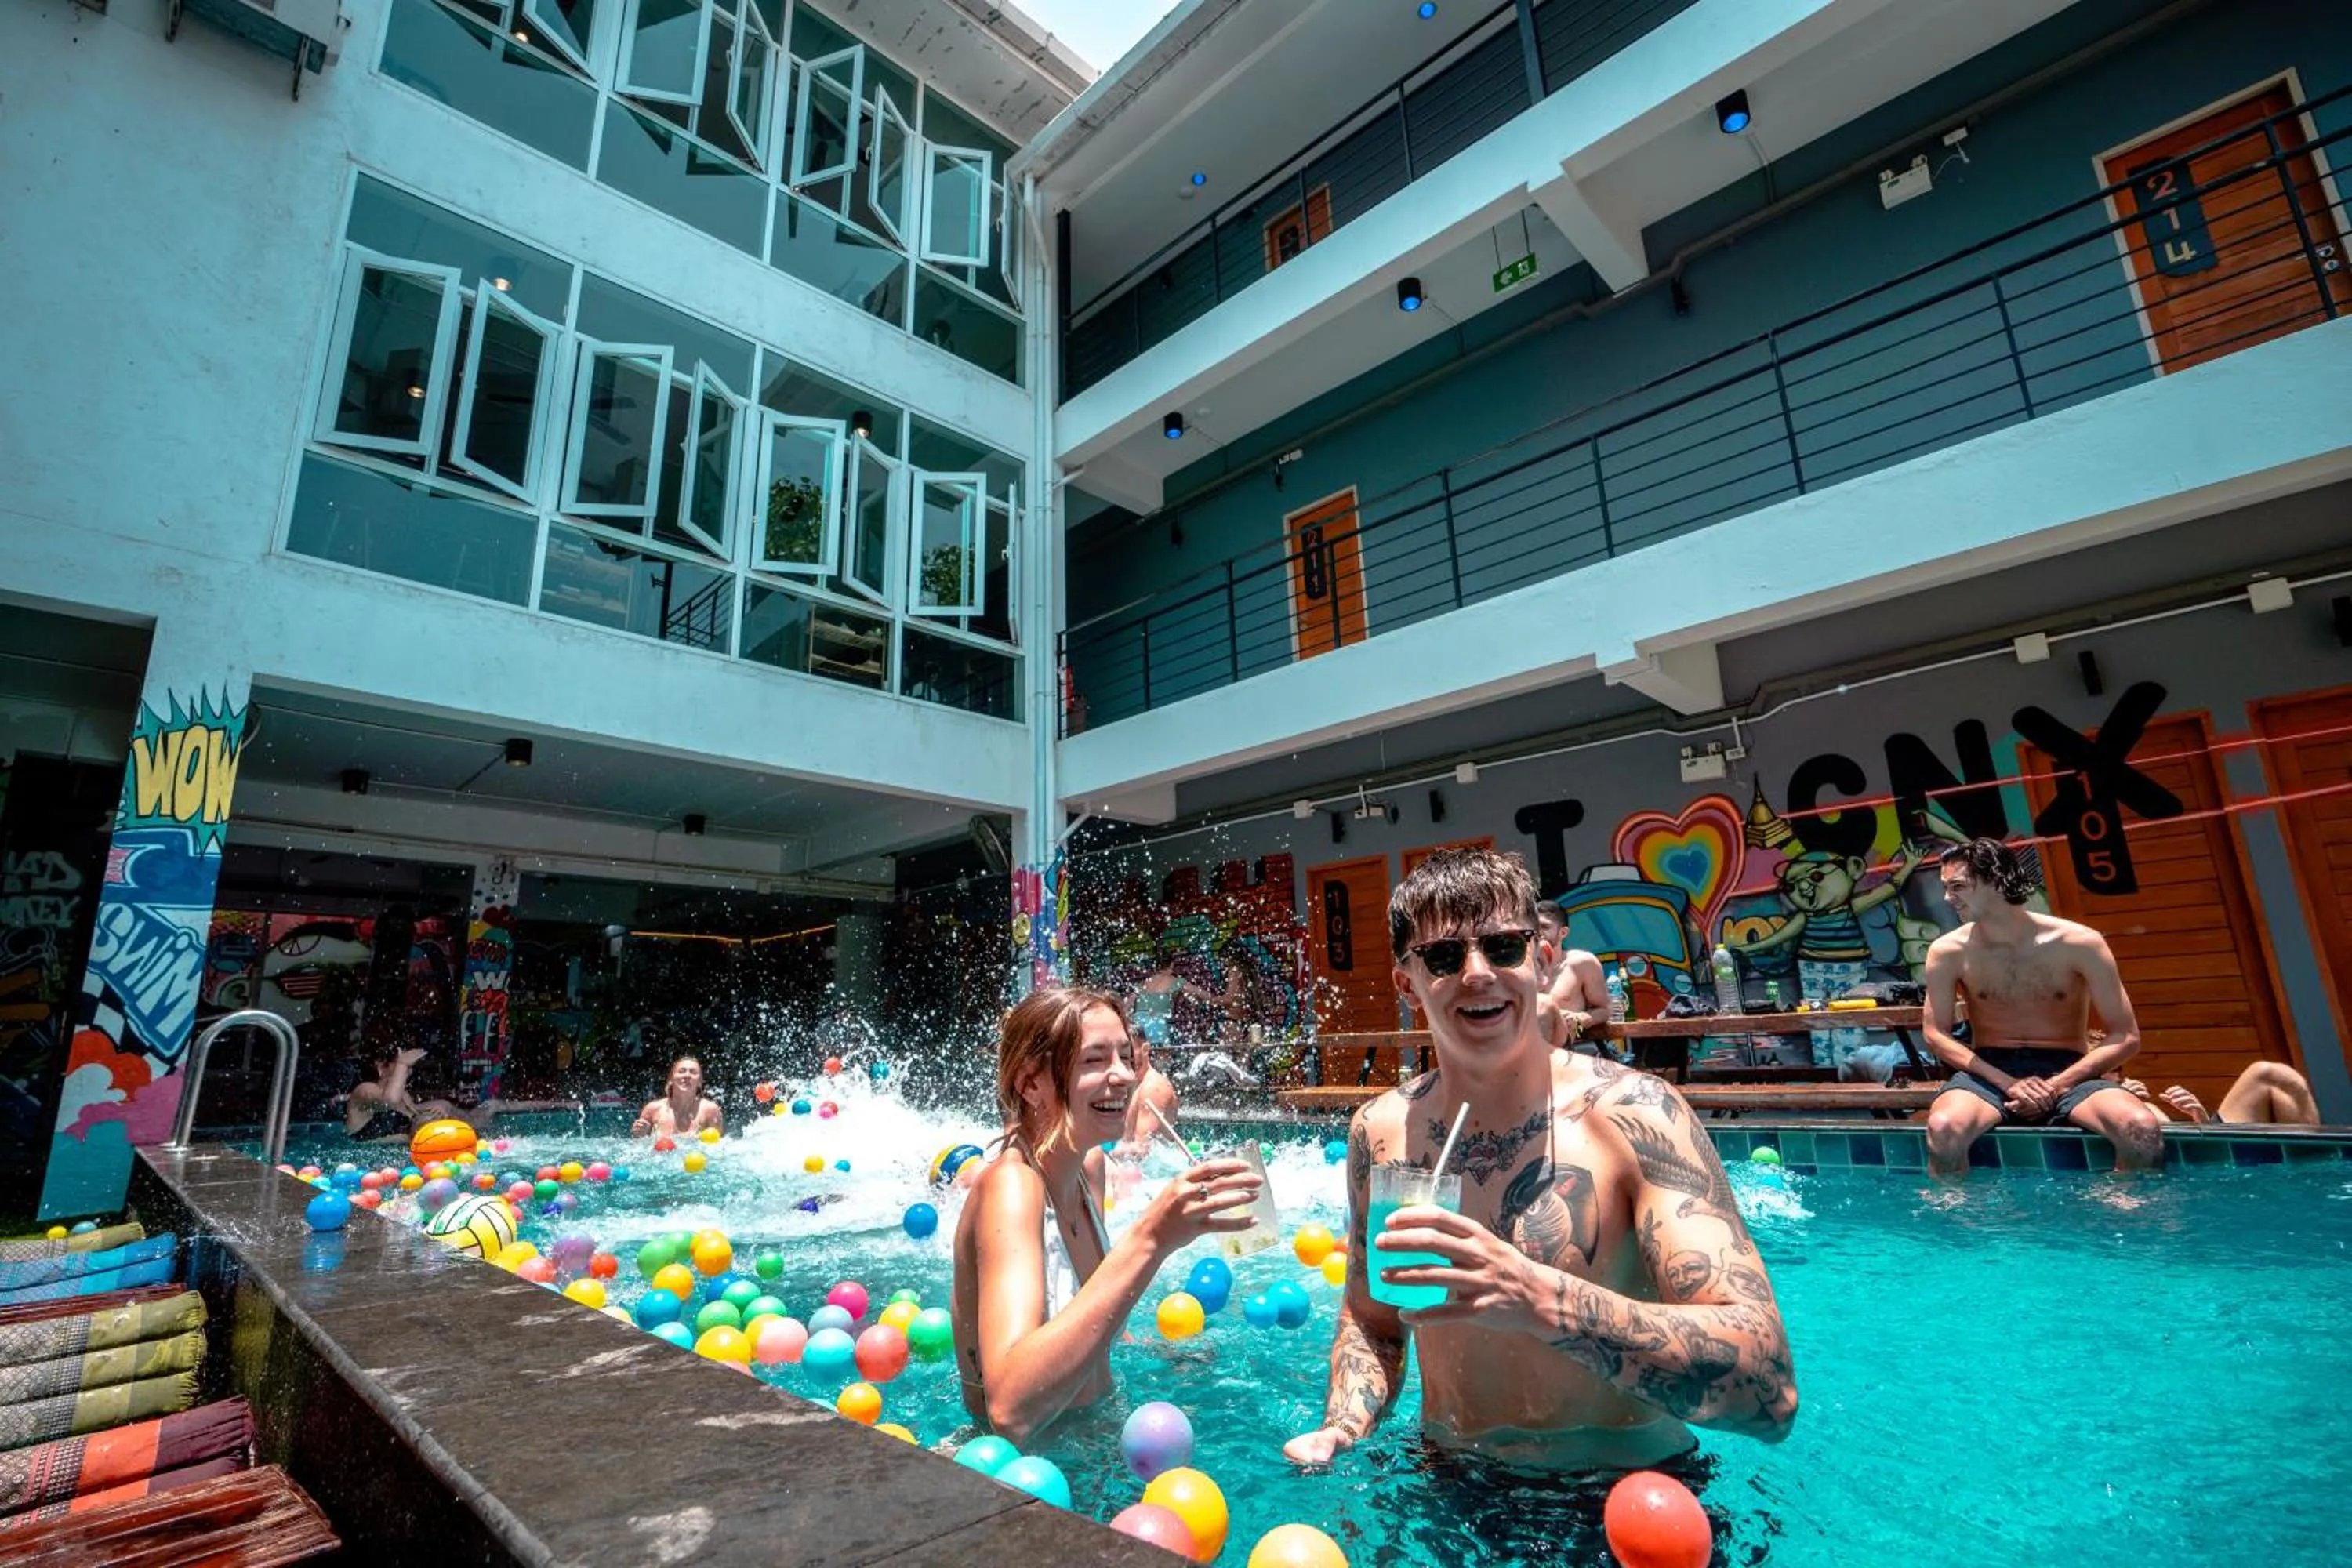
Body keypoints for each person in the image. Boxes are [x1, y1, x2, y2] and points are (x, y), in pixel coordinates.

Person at [1284, 848, 1797, 1471]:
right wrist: (1344, 1424)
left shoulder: (1638, 1116)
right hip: (1447, 1486)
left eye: (1503, 947)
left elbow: (1770, 1388)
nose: (1477, 973)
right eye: (1444, 957)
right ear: (1407, 984)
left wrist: (1543, 1300)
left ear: (1543, 958)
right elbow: (1373, 1321)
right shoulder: (1381, 1130)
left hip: (1621, 1496)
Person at [950, 986, 1264, 1443]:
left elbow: (1085, 1318)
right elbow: (1010, 1410)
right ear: (1031, 1083)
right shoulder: (1012, 1187)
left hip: (1095, 1446)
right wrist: (1153, 1238)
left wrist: (1163, 1351)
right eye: (1094, 1061)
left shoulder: (1088, 1169)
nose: (1122, 1077)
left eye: (1125, 1057)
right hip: (1022, 1481)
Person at [1921, 839, 2162, 1178]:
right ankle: (1960, 1229)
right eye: (1946, 888)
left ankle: (2121, 1222)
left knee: (2141, 1130)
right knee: (1944, 1129)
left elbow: (2125, 1037)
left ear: (1997, 881)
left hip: (2068, 1068)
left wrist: (2056, 1086)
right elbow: (1935, 1034)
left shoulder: (2080, 943)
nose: (1948, 898)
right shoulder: (1948, 951)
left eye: (1958, 886)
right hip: (1990, 1071)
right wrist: (2008, 1083)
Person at [344, 1043, 571, 1142]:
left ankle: (561, 1105)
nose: (409, 1072)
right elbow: (390, 1101)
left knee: (491, 1105)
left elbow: (406, 1109)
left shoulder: (404, 1096)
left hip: (426, 1144)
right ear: (381, 1066)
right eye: (403, 1066)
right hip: (381, 1156)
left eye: (410, 1067)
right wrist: (402, 1065)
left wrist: (439, 1107)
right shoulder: (365, 1090)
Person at [2122, 1059, 2320, 1126]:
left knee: (2272, 1074)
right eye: (2113, 1072)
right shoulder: (2093, 1104)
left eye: (2121, 1070)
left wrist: (2201, 1119)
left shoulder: (2146, 1108)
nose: (2124, 1078)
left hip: (2204, 1155)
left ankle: (2318, 1170)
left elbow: (2173, 1148)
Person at [1534, 900, 1611, 1054]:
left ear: (1563, 932)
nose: (1538, 933)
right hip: (1529, 1054)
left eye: (1545, 927)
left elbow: (1605, 1010)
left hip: (1571, 1052)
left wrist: (1582, 1018)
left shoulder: (1582, 963)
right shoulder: (1519, 966)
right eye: (1534, 928)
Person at [630, 1056, 724, 1138]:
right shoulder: (653, 1109)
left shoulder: (710, 1111)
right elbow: (639, 1145)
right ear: (671, 1079)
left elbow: (718, 1149)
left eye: (693, 1072)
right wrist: (639, 1134)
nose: (687, 1075)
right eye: (681, 1071)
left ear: (700, 1082)